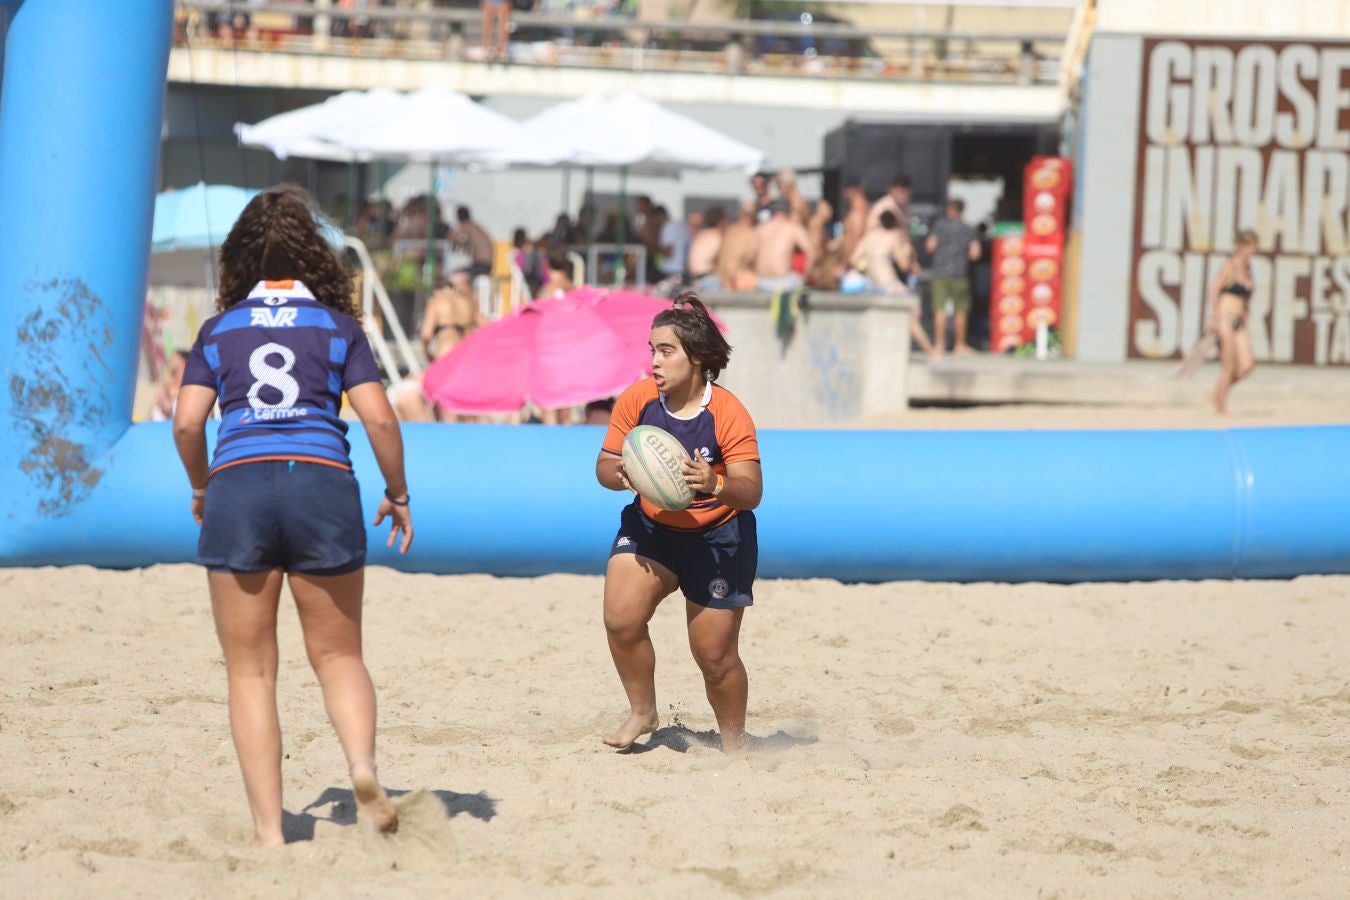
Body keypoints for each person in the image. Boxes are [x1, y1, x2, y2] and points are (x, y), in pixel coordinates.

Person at [172, 186, 413, 848]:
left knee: (250, 671)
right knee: (339, 656)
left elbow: (187, 424)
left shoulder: (218, 331)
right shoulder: (338, 328)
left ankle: (270, 834)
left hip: (239, 485)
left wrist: (201, 485)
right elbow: (380, 419)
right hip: (322, 483)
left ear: (240, 259)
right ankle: (362, 768)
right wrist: (398, 492)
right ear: (314, 256)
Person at [595, 291, 762, 753]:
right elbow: (603, 467)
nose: (654, 361)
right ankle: (642, 711)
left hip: (718, 537)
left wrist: (715, 482)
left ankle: (735, 743)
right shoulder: (638, 399)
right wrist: (620, 472)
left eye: (666, 351)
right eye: (652, 349)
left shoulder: (727, 412)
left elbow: (752, 491)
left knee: (714, 657)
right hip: (652, 529)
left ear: (698, 358)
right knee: (620, 618)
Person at [850, 211, 936, 358]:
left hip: (872, 287)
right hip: (890, 286)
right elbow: (903, 265)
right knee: (911, 319)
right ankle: (930, 352)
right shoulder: (892, 237)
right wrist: (907, 249)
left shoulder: (868, 237)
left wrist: (867, 267)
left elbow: (853, 260)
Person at [1208, 230, 1259, 414]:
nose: (1253, 250)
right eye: (1250, 246)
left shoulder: (1248, 269)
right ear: (1241, 246)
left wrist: (1246, 310)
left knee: (1247, 365)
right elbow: (1214, 292)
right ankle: (1221, 406)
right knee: (1228, 365)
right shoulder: (1229, 266)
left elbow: (1244, 296)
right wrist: (1214, 318)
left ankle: (1217, 393)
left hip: (1239, 321)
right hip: (1225, 319)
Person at [925, 199, 981, 357]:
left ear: (950, 209)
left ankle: (939, 345)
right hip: (960, 273)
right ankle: (959, 345)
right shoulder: (968, 228)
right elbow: (975, 253)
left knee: (940, 309)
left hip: (940, 273)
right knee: (961, 311)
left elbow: (930, 246)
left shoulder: (939, 226)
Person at [752, 198, 813, 293]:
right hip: (784, 283)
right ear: (789, 212)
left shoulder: (760, 229)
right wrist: (805, 276)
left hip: (761, 281)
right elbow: (811, 252)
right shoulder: (793, 228)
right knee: (803, 285)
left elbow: (751, 256)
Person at [717, 200, 758, 292]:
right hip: (735, 282)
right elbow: (751, 258)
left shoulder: (729, 231)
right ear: (755, 217)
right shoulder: (751, 233)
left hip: (721, 281)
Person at [449, 205, 494, 281]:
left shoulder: (466, 225)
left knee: (455, 275)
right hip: (486, 265)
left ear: (459, 217)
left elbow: (452, 237)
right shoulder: (475, 226)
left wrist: (455, 245)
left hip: (481, 265)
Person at [688, 205, 726, 292]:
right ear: (721, 221)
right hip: (707, 279)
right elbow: (721, 261)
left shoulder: (701, 234)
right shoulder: (717, 236)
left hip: (694, 279)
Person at [149, 350, 190, 422]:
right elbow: (154, 409)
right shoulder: (166, 384)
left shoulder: (189, 385)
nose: (170, 360)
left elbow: (167, 409)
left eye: (174, 358)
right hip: (161, 423)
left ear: (182, 361)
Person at [840, 178, 870, 264]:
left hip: (855, 261)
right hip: (852, 259)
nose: (843, 192)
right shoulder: (855, 208)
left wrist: (846, 263)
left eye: (846, 189)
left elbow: (857, 236)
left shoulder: (859, 208)